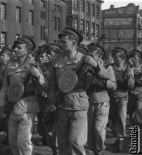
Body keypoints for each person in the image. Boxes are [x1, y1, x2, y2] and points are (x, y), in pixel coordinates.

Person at [48, 27, 95, 155]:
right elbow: (52, 83)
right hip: (61, 105)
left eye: (64, 42)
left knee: (76, 142)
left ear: (74, 43)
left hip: (78, 105)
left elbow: (95, 79)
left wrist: (95, 66)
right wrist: (52, 99)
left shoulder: (84, 60)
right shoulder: (56, 59)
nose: (60, 45)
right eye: (60, 42)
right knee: (62, 143)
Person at [0, 35, 47, 155]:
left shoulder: (33, 65)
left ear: (27, 50)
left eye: (19, 47)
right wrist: (2, 105)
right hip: (12, 107)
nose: (15, 49)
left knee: (23, 142)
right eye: (15, 47)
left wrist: (37, 75)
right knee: (13, 142)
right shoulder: (10, 64)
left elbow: (44, 86)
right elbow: (5, 87)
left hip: (27, 108)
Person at [86, 43, 116, 155]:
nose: (89, 57)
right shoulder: (85, 68)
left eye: (92, 55)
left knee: (98, 129)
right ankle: (91, 149)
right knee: (89, 129)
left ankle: (100, 150)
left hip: (102, 100)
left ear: (99, 57)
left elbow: (113, 85)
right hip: (88, 100)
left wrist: (103, 82)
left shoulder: (108, 68)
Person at [109, 47, 134, 152]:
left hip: (123, 96)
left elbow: (131, 85)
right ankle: (118, 137)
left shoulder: (128, 68)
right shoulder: (111, 68)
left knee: (121, 118)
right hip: (111, 96)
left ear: (122, 58)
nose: (114, 59)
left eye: (116, 57)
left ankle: (120, 140)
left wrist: (129, 76)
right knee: (111, 119)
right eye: (114, 57)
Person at [127, 50, 142, 126]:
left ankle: (139, 123)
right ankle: (133, 123)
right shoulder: (129, 66)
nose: (133, 59)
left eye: (135, 57)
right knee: (131, 110)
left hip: (141, 90)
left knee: (139, 107)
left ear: (139, 58)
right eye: (132, 57)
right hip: (132, 91)